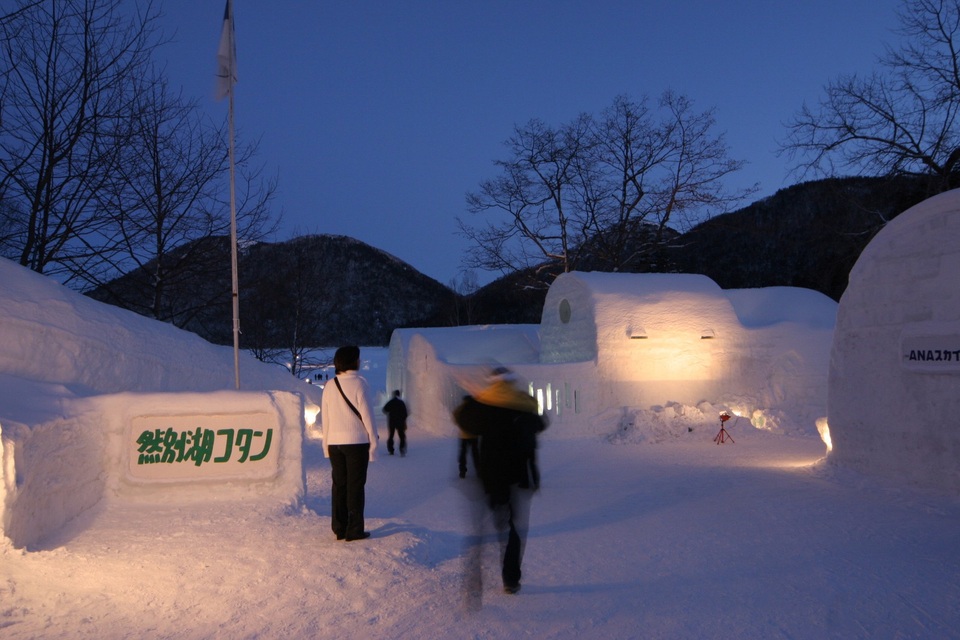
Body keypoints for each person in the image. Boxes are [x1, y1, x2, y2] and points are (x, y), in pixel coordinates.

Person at [453, 367, 547, 595]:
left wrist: (479, 396)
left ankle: (475, 580)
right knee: (515, 527)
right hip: (517, 474)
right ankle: (511, 578)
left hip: (490, 474)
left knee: (489, 521)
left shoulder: (485, 404)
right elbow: (541, 423)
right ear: (512, 382)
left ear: (492, 382)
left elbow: (461, 418)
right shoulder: (524, 404)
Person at [321, 345, 379, 541]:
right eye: (358, 358)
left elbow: (326, 419)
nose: (360, 361)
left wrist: (326, 446)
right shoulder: (360, 384)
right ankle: (354, 529)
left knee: (339, 485)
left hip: (334, 443)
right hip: (357, 442)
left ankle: (339, 527)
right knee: (355, 486)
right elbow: (368, 417)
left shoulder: (330, 385)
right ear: (353, 361)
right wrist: (374, 445)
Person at [382, 389, 408, 456]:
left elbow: (384, 409)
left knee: (391, 436)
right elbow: (405, 413)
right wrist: (403, 420)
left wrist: (390, 413)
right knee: (402, 436)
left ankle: (391, 450)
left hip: (392, 422)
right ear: (399, 394)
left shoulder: (391, 402)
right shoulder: (401, 403)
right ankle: (402, 449)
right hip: (400, 422)